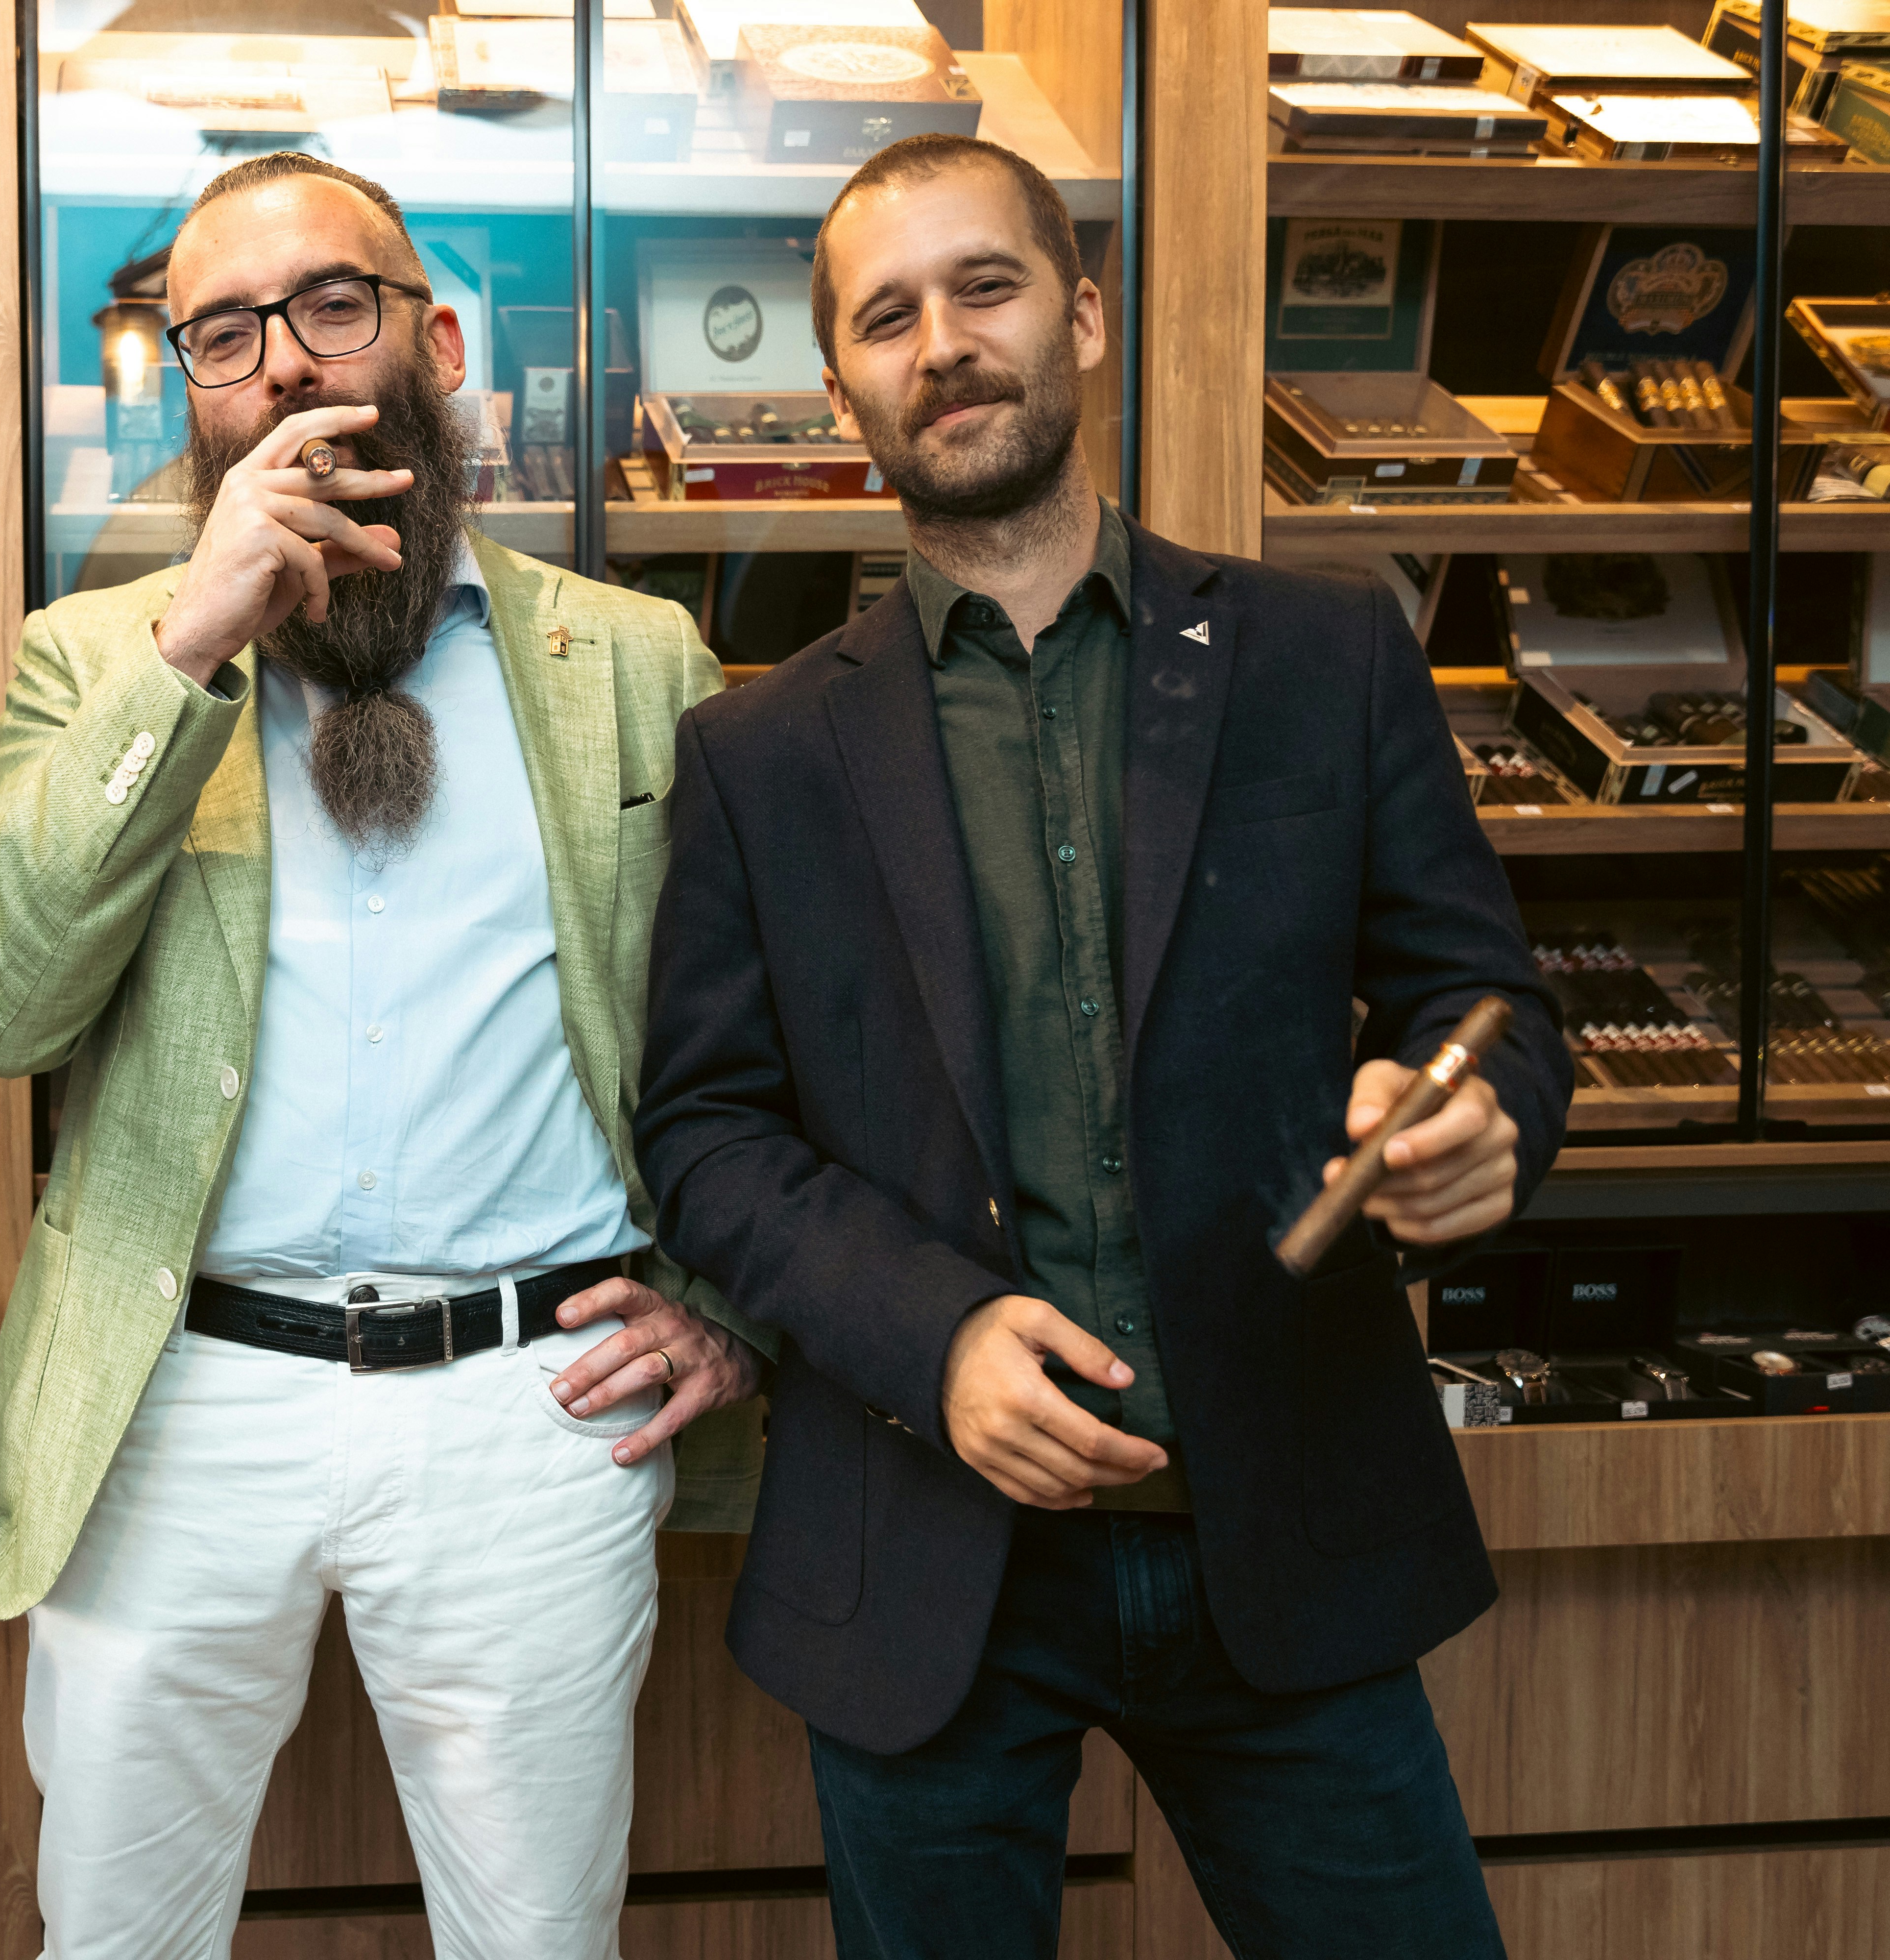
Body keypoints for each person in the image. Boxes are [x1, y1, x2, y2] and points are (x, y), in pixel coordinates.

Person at [633, 136, 1575, 1959]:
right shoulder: (761, 755)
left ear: (1080, 312)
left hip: (1284, 1525)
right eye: (888, 319)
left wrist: (1481, 1128)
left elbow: (1492, 1011)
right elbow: (708, 1134)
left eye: (984, 289)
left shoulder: (1326, 657)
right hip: (928, 1554)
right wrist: (939, 1336)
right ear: (844, 390)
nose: (944, 345)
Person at [0, 151, 770, 1959]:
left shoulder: (634, 661)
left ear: (438, 344)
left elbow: (760, 1034)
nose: (289, 366)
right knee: (118, 1938)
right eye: (222, 337)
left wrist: (722, 1299)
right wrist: (196, 640)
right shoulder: (95, 658)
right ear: (192, 396)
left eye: (333, 306)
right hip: (176, 1402)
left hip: (534, 1405)